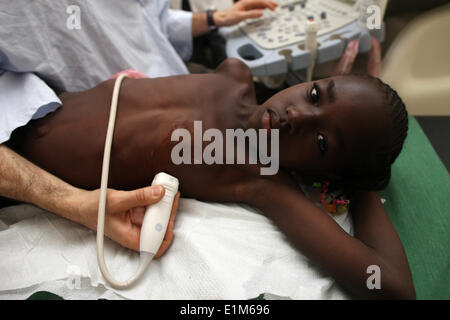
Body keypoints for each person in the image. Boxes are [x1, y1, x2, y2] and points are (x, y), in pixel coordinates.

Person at [8, 57, 415, 299]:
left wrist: (362, 183)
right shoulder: (233, 75)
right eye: (314, 96)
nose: (298, 117)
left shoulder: (259, 177)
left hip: (14, 169)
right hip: (23, 100)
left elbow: (392, 287)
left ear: (326, 175)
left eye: (323, 142)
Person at [0, 0, 277, 253]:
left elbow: (145, 21)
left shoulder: (235, 91)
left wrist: (213, 18)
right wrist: (76, 203)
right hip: (92, 146)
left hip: (178, 88)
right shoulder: (253, 170)